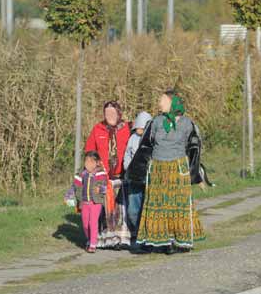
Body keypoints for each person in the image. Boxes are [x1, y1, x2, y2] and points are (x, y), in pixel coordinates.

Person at [136, 90, 205, 254]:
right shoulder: (155, 122)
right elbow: (146, 145)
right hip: (159, 169)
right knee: (160, 205)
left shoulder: (188, 124)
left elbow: (194, 148)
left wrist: (196, 175)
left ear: (172, 103)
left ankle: (178, 241)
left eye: (162, 100)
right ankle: (161, 242)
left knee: (176, 206)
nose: (159, 103)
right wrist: (138, 172)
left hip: (177, 168)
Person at [85, 101, 131, 248]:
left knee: (120, 211)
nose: (110, 116)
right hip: (101, 178)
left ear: (119, 113)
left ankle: (120, 239)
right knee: (104, 210)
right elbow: (90, 152)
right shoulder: (98, 129)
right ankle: (103, 239)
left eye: (113, 113)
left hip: (120, 177)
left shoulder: (127, 129)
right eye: (107, 113)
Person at [64, 151, 108, 253]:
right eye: (86, 161)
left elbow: (106, 187)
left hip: (96, 202)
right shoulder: (81, 173)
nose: (88, 164)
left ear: (97, 163)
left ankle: (93, 244)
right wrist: (68, 196)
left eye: (91, 161)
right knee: (85, 224)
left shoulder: (100, 173)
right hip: (84, 203)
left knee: (93, 222)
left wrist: (100, 189)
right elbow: (75, 186)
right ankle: (89, 240)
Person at [123, 111, 152, 242]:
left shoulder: (152, 139)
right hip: (134, 179)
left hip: (148, 180)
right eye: (138, 127)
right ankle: (136, 231)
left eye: (142, 127)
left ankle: (145, 234)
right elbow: (127, 155)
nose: (140, 129)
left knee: (147, 209)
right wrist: (127, 167)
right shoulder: (132, 139)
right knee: (133, 210)